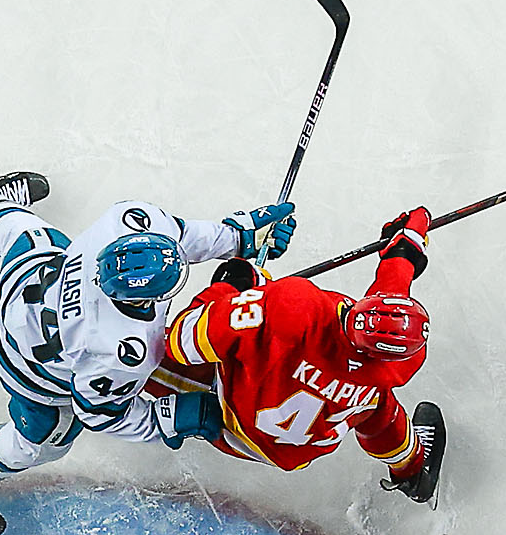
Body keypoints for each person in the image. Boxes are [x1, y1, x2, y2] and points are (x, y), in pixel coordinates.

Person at [0, 172, 297, 535]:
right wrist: (175, 417)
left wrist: (239, 236)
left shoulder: (125, 222)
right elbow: (100, 414)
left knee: (33, 239)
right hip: (25, 365)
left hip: (23, 284)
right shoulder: (123, 352)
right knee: (46, 438)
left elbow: (180, 236)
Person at [147, 206, 444, 504]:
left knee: (146, 354)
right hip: (298, 450)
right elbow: (388, 309)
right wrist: (404, 250)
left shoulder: (295, 308)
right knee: (376, 405)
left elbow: (181, 340)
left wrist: (231, 286)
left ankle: (110, 386)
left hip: (235, 421)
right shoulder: (399, 360)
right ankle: (413, 471)